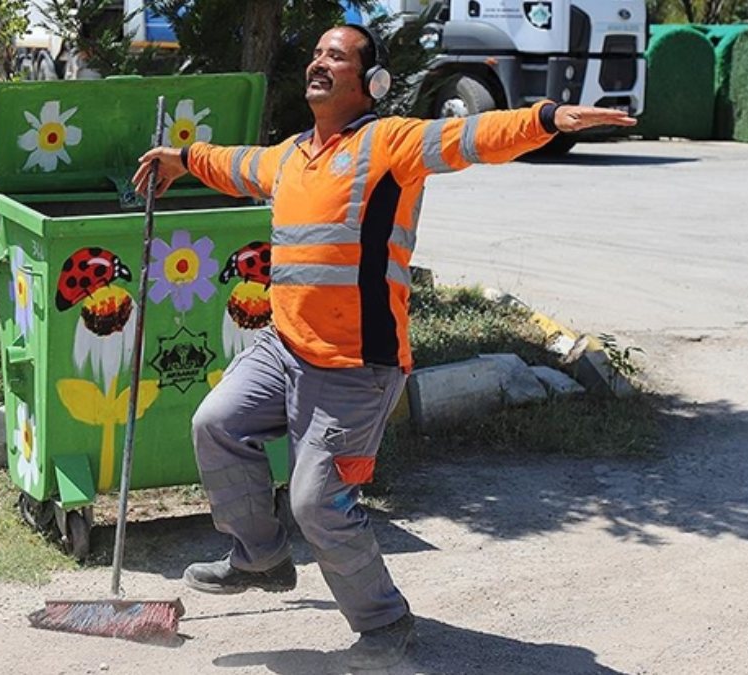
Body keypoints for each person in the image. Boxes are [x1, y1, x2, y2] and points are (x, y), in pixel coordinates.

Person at [134, 24, 635, 669]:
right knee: (216, 423)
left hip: (354, 367)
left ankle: (385, 624)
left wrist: (547, 117)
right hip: (283, 347)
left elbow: (470, 138)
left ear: (371, 82)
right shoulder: (291, 155)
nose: (318, 63)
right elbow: (236, 165)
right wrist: (184, 159)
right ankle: (259, 556)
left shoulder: (389, 144)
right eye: (316, 54)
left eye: (335, 57)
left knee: (319, 501)